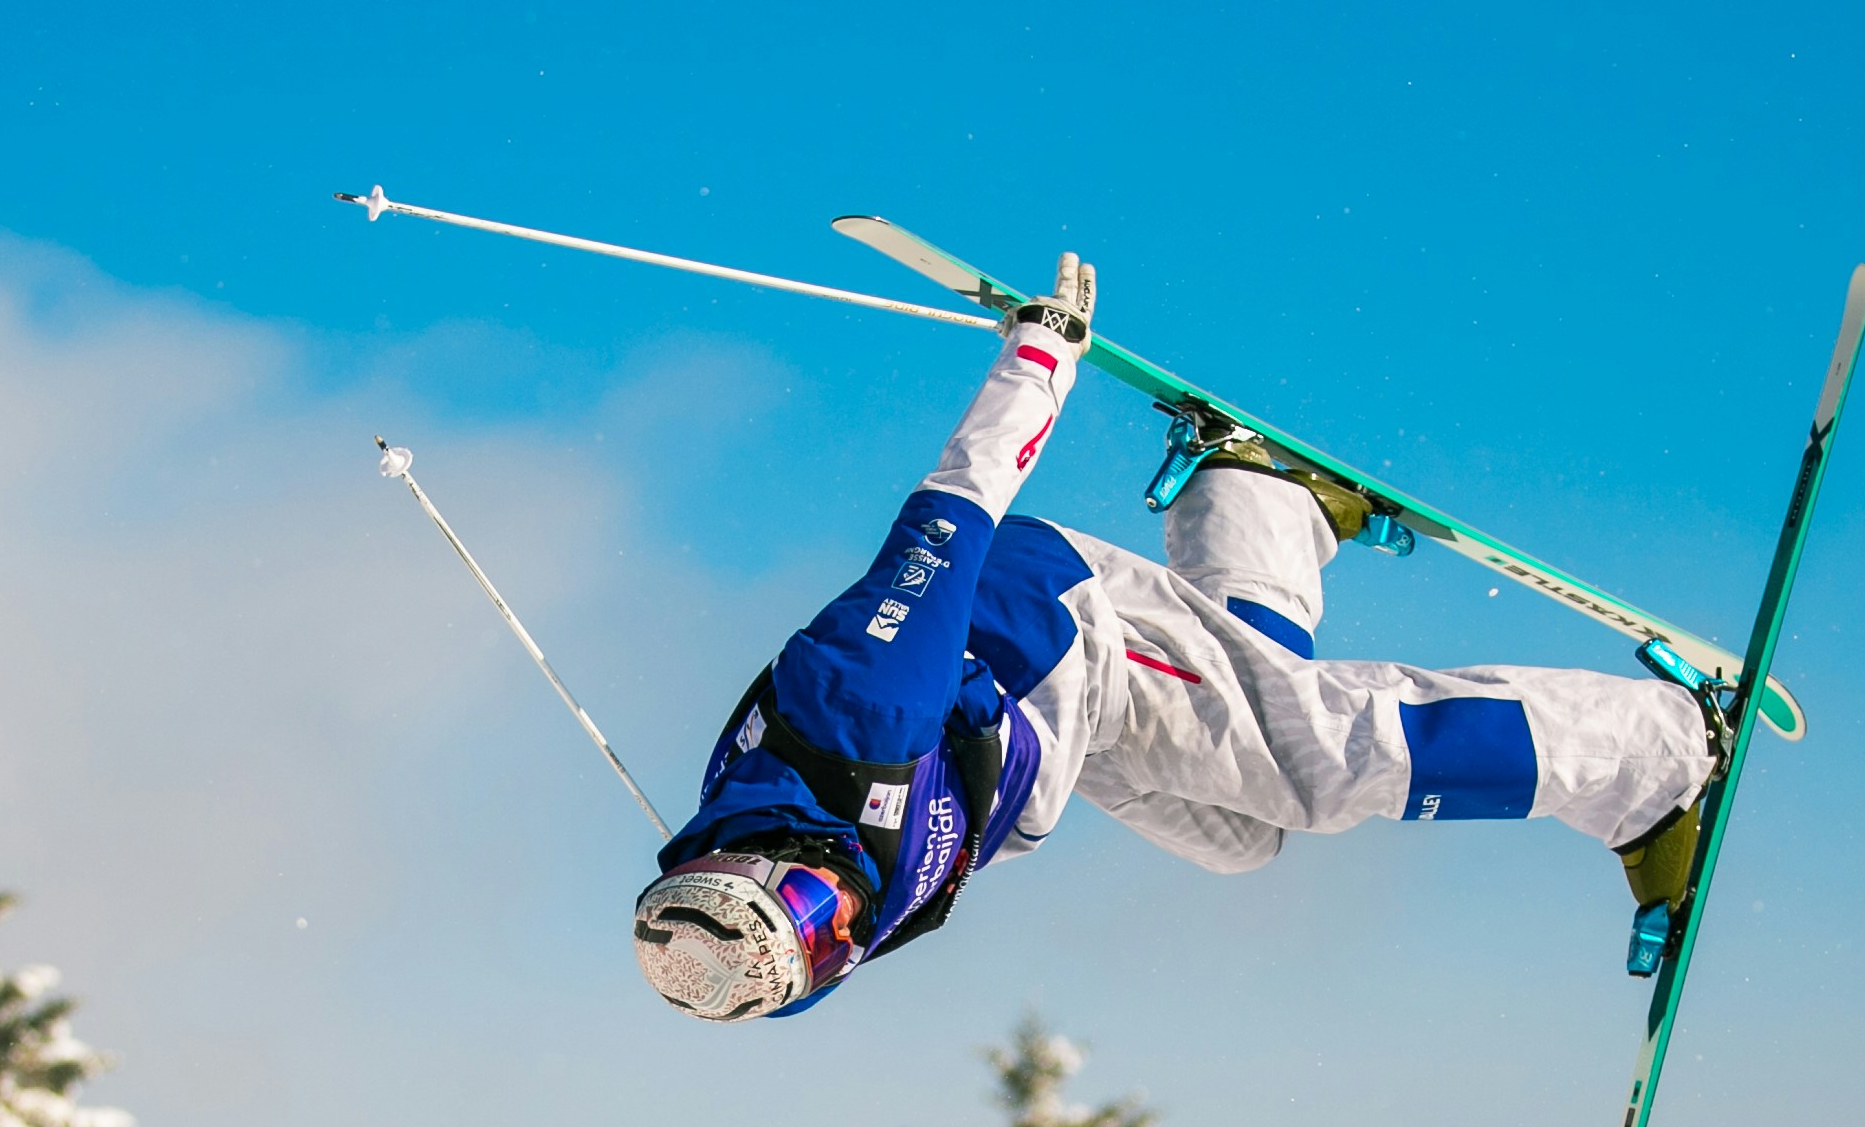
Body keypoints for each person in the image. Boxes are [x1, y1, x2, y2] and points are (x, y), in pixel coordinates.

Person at [632, 255, 1724, 1021]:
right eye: (824, 954)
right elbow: (763, 955)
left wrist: (1039, 358)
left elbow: (950, 518)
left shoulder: (856, 703)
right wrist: (800, 948)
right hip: (1051, 742)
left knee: (1311, 764)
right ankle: (1260, 500)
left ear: (771, 856)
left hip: (1061, 632)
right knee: (1237, 829)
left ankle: (1654, 757)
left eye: (817, 907)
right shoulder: (759, 955)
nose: (844, 923)